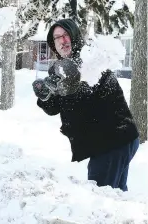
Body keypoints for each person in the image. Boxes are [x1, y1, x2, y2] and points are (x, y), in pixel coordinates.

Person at [32, 18, 139, 192]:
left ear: (74, 36)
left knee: (99, 197)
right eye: (57, 37)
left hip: (115, 139)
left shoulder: (92, 59)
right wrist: (45, 96)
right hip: (106, 144)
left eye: (66, 35)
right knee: (114, 198)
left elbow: (93, 93)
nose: (62, 40)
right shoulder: (58, 69)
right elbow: (54, 108)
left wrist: (65, 87)